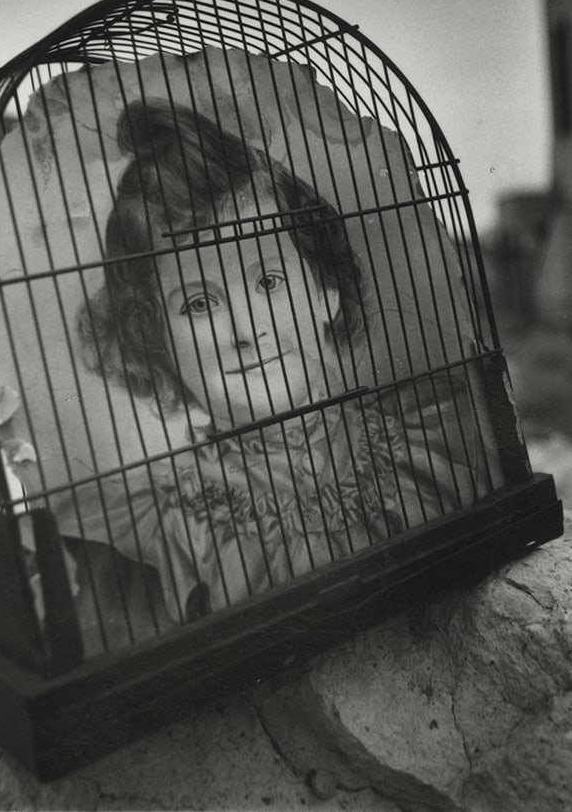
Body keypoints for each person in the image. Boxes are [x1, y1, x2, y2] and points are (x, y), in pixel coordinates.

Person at [75, 100, 489, 645]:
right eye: (199, 303)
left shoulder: (438, 436)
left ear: (326, 289)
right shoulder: (160, 530)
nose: (246, 330)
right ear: (156, 340)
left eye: (268, 283)